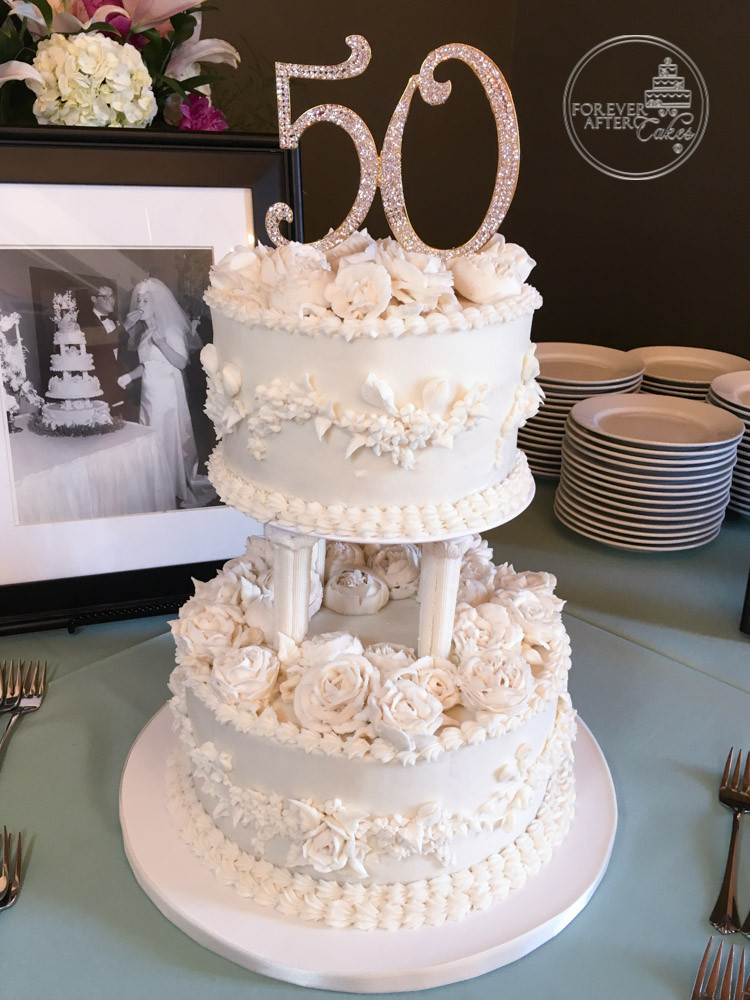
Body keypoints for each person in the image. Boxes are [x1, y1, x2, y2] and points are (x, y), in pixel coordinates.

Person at [117, 278, 215, 509]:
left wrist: (162, 343)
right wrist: (130, 376)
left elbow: (181, 362)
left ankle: (173, 487)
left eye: (146, 300)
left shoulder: (170, 330)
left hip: (167, 395)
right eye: (139, 300)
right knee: (151, 436)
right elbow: (149, 364)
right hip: (149, 396)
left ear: (157, 304)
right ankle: (157, 485)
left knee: (165, 438)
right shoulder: (144, 332)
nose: (140, 304)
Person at [83, 284, 140, 421]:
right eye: (105, 297)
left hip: (120, 379)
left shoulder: (114, 318)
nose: (111, 300)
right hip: (100, 382)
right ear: (93, 299)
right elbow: (101, 345)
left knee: (122, 419)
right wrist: (126, 326)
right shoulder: (86, 320)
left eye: (112, 296)